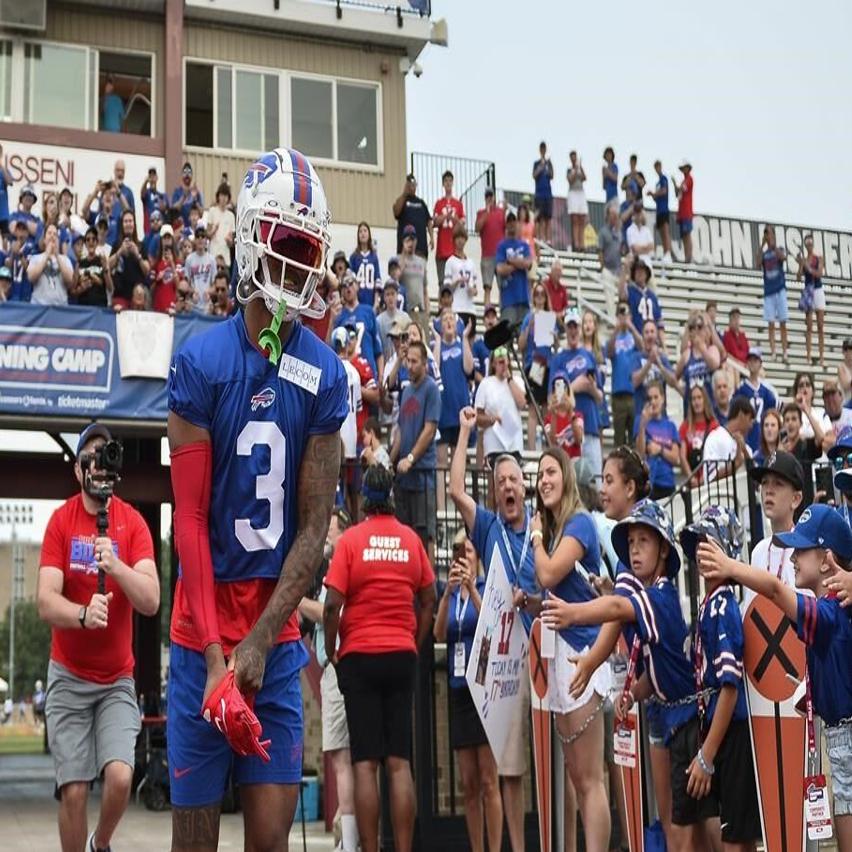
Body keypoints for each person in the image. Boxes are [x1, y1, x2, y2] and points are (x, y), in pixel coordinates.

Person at [165, 148, 348, 851]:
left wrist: (263, 639)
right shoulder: (201, 362)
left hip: (271, 637)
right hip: (200, 633)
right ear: (250, 238)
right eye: (287, 244)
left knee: (270, 844)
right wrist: (215, 653)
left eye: (309, 248)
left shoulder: (325, 374)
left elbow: (313, 527)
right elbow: (188, 518)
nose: (300, 265)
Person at [544, 499, 716, 852]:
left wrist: (573, 613)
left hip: (690, 720)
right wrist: (635, 692)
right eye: (631, 542)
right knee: (679, 824)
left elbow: (617, 608)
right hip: (665, 712)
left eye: (645, 541)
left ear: (664, 550)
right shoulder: (648, 592)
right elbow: (659, 668)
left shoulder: (660, 597)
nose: (635, 550)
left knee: (704, 827)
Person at [697, 504, 852, 850]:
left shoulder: (829, 611)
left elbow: (774, 590)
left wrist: (732, 568)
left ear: (827, 559)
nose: (793, 557)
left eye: (802, 548)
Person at [37, 423, 159, 852]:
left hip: (115, 681)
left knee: (121, 776)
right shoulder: (61, 521)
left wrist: (118, 568)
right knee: (72, 789)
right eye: (90, 458)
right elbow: (45, 601)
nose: (99, 467)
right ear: (78, 470)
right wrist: (83, 614)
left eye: (106, 457)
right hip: (69, 677)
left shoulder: (132, 523)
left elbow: (151, 600)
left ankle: (100, 843)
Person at [323, 465, 436, 852]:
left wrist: (330, 650)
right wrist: (414, 641)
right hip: (400, 654)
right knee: (399, 762)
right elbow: (429, 598)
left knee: (366, 762)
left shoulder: (350, 541)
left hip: (359, 657)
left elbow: (331, 605)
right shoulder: (410, 540)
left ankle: (370, 848)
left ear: (364, 501)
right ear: (391, 496)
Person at [449, 408, 539, 852]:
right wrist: (466, 428)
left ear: (525, 485)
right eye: (501, 480)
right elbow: (454, 488)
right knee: (508, 770)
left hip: (541, 654)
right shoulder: (487, 528)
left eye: (514, 479)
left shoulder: (541, 530)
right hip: (504, 667)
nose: (508, 485)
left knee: (550, 766)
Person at [531, 448, 612, 852]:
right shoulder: (558, 531)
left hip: (585, 652)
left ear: (565, 476)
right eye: (539, 475)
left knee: (590, 777)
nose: (543, 480)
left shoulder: (578, 523)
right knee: (577, 776)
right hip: (561, 653)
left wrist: (533, 535)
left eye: (550, 472)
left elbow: (546, 572)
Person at [678, 509, 763, 852]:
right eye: (698, 544)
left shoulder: (723, 606)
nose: (701, 552)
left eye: (709, 543)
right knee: (728, 834)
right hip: (718, 730)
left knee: (736, 840)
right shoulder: (709, 604)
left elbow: (729, 685)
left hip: (732, 733)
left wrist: (706, 755)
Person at [433, 532, 502, 852]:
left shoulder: (486, 587)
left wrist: (472, 587)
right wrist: (448, 593)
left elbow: (492, 621)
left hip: (483, 687)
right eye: (459, 552)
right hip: (459, 690)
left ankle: (495, 846)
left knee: (490, 780)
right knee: (468, 783)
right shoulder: (451, 593)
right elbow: (437, 633)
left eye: (469, 551)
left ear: (478, 558)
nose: (464, 557)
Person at [297, 507, 358, 852]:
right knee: (346, 758)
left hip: (339, 669)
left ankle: (349, 842)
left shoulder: (344, 567)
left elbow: (328, 612)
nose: (325, 539)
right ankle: (348, 834)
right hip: (335, 667)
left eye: (329, 531)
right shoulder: (330, 571)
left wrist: (299, 600)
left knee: (342, 758)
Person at [390, 340, 440, 552]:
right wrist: (389, 461)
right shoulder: (407, 391)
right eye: (407, 361)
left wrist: (410, 459)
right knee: (404, 532)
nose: (409, 365)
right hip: (404, 476)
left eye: (414, 361)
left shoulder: (431, 389)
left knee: (424, 535)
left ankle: (427, 584)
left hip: (422, 473)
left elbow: (429, 430)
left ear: (424, 363)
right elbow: (401, 430)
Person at [743, 450, 804, 606]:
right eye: (764, 483)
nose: (769, 490)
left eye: (778, 483)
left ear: (795, 499)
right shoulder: (758, 551)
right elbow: (750, 612)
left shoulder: (806, 551)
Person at [550, 308, 604, 476]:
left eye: (576, 327)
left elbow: (600, 397)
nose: (573, 331)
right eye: (570, 327)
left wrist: (591, 387)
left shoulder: (589, 355)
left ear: (580, 329)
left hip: (590, 425)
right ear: (565, 329)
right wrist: (575, 387)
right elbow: (553, 398)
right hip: (568, 433)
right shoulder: (558, 359)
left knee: (595, 480)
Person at [519, 283, 558, 450]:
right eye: (537, 294)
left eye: (543, 294)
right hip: (534, 363)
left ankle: (544, 445)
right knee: (534, 408)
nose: (540, 297)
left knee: (545, 408)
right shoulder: (529, 316)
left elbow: (555, 345)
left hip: (547, 363)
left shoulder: (550, 316)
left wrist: (554, 335)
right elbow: (521, 345)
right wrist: (530, 326)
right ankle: (533, 449)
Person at [474, 345, 526, 468]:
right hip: (493, 445)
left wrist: (509, 380)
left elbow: (522, 403)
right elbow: (478, 416)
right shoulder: (486, 384)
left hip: (514, 445)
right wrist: (493, 419)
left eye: (505, 361)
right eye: (500, 362)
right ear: (493, 364)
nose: (503, 365)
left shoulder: (517, 381)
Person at [333, 270, 384, 381]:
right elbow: (333, 349)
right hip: (348, 374)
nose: (348, 288)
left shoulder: (369, 312)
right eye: (344, 286)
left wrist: (381, 377)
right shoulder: (338, 316)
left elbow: (378, 350)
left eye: (351, 283)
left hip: (368, 375)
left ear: (357, 286)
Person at [635, 382, 680, 500]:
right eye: (650, 398)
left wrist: (659, 450)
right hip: (649, 483)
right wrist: (643, 424)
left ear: (663, 399)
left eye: (656, 397)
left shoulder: (670, 426)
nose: (653, 402)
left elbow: (676, 458)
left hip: (667, 483)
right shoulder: (640, 422)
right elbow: (640, 453)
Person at [608, 301, 643, 448]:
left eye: (626, 313)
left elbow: (642, 347)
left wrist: (631, 326)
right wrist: (616, 329)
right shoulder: (614, 338)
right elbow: (609, 352)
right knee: (619, 438)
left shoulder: (633, 336)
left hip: (634, 393)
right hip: (618, 394)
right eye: (621, 314)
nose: (623, 317)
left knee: (633, 436)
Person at [733, 347, 777, 453]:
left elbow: (772, 412)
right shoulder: (741, 389)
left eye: (755, 360)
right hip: (747, 433)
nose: (752, 363)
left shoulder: (766, 391)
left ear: (760, 364)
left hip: (761, 433)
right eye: (750, 360)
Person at [701, 396, 755, 482]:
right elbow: (710, 477)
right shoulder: (715, 438)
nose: (751, 426)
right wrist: (735, 464)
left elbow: (755, 480)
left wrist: (743, 450)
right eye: (750, 419)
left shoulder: (747, 448)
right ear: (741, 415)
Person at [757, 225, 789, 362]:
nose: (768, 236)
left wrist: (773, 245)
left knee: (782, 322)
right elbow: (757, 263)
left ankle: (785, 352)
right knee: (771, 323)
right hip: (769, 291)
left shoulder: (779, 250)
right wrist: (763, 244)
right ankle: (773, 351)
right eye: (766, 234)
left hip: (780, 289)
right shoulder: (764, 254)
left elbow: (783, 258)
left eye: (769, 233)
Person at [495, 212, 533, 327]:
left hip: (524, 299)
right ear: (506, 224)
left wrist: (510, 261)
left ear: (517, 223)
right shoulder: (501, 245)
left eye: (513, 221)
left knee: (525, 335)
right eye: (509, 222)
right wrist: (519, 264)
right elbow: (500, 269)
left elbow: (528, 263)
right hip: (508, 300)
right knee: (506, 336)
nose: (511, 224)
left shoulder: (524, 245)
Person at [795, 233, 826, 368]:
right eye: (807, 242)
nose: (809, 244)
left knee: (820, 325)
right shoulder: (805, 260)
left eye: (810, 242)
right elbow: (798, 277)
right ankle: (808, 356)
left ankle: (821, 357)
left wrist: (806, 266)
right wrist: (801, 265)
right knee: (809, 326)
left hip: (818, 290)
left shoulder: (818, 258)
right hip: (808, 290)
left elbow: (819, 273)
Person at [678, 384, 718, 482]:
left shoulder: (713, 424)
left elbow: (716, 454)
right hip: (692, 478)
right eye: (693, 399)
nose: (696, 402)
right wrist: (691, 478)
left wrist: (706, 476)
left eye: (699, 398)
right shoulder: (685, 426)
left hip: (710, 477)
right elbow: (682, 456)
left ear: (704, 400)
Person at [443, 225, 480, 329]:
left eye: (462, 238)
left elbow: (475, 290)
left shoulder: (471, 263)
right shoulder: (450, 261)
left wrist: (471, 290)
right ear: (454, 240)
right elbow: (447, 289)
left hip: (470, 309)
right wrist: (457, 281)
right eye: (458, 238)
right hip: (456, 308)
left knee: (470, 341)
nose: (460, 241)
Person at [28, 223, 74, 305]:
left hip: (60, 308)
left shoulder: (65, 259)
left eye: (55, 234)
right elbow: (31, 277)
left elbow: (69, 281)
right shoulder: (35, 258)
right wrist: (47, 254)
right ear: (44, 240)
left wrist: (57, 255)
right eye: (49, 233)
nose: (52, 236)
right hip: (39, 307)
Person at [433, 170, 465, 285]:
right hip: (442, 250)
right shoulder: (439, 203)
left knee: (455, 281)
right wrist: (446, 216)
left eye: (450, 181)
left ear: (453, 183)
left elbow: (462, 224)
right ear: (443, 184)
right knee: (442, 283)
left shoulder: (458, 204)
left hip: (454, 250)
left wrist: (453, 218)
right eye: (445, 181)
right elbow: (435, 222)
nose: (448, 183)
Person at [475, 187, 505, 306]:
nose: (489, 198)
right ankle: (487, 310)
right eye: (487, 196)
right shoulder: (481, 213)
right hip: (487, 255)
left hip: (500, 256)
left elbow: (506, 229)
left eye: (491, 196)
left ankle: (503, 311)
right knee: (487, 286)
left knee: (502, 287)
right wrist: (486, 213)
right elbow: (477, 228)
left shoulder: (500, 213)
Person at [393, 174, 433, 261]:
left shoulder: (421, 203)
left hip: (421, 250)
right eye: (409, 185)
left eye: (414, 185)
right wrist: (404, 193)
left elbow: (429, 220)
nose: (412, 187)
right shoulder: (402, 200)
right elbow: (396, 211)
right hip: (405, 251)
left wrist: (432, 237)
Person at [544, 373, 584, 459]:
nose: (560, 391)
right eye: (556, 387)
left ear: (568, 390)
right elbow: (551, 442)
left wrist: (570, 411)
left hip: (574, 461)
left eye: (564, 386)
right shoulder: (548, 418)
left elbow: (578, 440)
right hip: (557, 461)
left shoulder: (578, 416)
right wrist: (554, 413)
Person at [349, 222, 381, 309]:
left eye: (365, 231)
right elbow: (351, 280)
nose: (363, 233)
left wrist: (376, 301)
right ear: (358, 236)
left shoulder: (374, 257)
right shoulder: (354, 257)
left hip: (370, 300)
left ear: (369, 234)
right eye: (360, 231)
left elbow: (377, 279)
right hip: (357, 300)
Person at [648, 160, 672, 263]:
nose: (657, 169)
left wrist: (654, 193)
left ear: (660, 167)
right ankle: (665, 253)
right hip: (658, 210)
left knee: (665, 231)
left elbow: (664, 191)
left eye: (658, 167)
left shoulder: (663, 178)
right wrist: (652, 195)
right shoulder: (657, 183)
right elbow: (657, 197)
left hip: (664, 209)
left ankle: (668, 253)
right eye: (655, 167)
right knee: (662, 233)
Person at [566, 151, 588, 253]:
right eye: (572, 157)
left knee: (582, 219)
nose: (574, 159)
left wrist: (581, 167)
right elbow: (570, 179)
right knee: (575, 219)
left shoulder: (580, 169)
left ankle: (582, 243)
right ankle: (576, 244)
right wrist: (575, 169)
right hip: (573, 194)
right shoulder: (570, 170)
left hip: (581, 193)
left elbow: (584, 178)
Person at [673, 159, 694, 264]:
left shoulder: (689, 179)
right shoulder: (684, 180)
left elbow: (683, 189)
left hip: (687, 212)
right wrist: (675, 186)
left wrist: (677, 187)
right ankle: (687, 257)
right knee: (684, 235)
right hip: (682, 213)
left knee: (687, 234)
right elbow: (678, 193)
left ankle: (689, 257)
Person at [533, 142, 554, 243]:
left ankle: (548, 239)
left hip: (548, 194)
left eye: (544, 148)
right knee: (540, 218)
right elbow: (534, 175)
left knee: (548, 218)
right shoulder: (536, 163)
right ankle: (541, 238)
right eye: (541, 148)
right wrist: (541, 167)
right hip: (539, 194)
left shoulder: (549, 163)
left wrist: (547, 165)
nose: (543, 150)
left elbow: (552, 175)